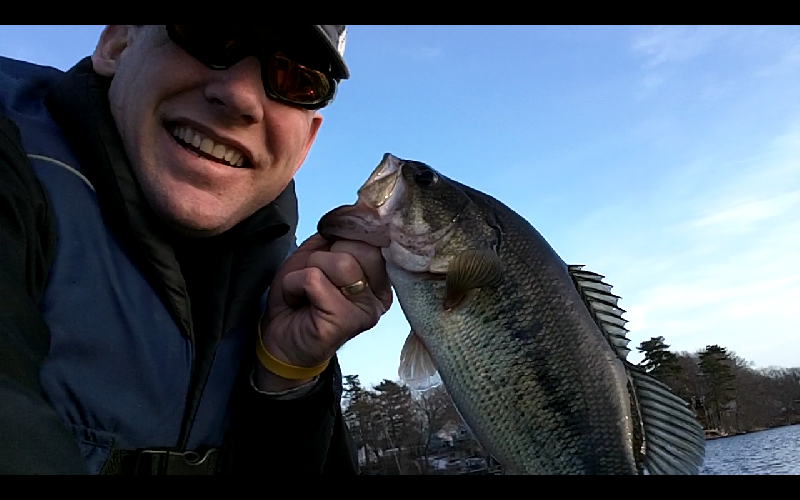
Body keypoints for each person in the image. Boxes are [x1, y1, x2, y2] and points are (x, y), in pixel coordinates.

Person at [0, 25, 393, 475]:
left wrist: (286, 378)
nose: (241, 97)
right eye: (209, 36)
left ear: (305, 144)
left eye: (296, 79)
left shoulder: (287, 291)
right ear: (117, 44)